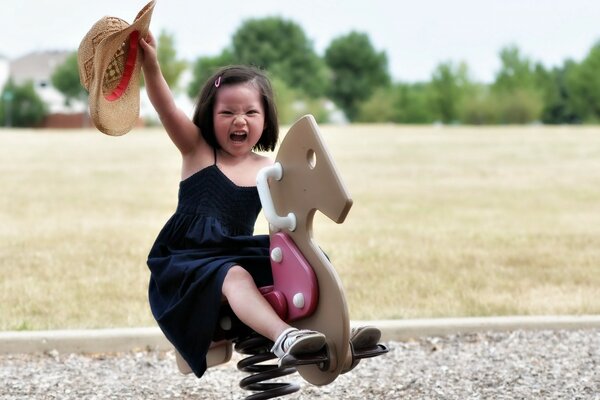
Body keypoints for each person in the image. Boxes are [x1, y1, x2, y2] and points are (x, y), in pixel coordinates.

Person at [139, 32, 327, 378]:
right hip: (188, 258)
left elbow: (280, 226)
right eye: (227, 112)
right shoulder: (198, 150)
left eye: (250, 112)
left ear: (266, 118)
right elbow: (166, 108)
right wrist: (151, 66)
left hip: (234, 251)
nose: (239, 120)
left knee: (311, 261)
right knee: (235, 275)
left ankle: (335, 332)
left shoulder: (269, 169)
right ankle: (284, 338)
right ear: (209, 116)